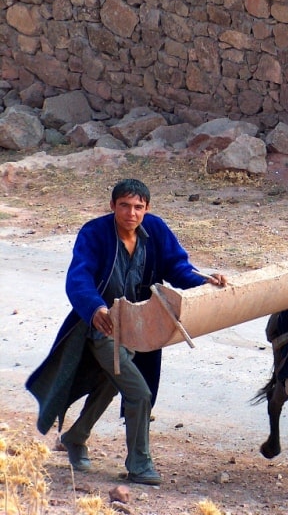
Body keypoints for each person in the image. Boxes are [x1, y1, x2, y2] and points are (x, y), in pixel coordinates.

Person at [26, 178, 228, 484]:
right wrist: (96, 309)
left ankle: (76, 437)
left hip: (143, 325)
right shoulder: (94, 233)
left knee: (113, 382)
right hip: (102, 326)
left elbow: (178, 268)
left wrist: (203, 280)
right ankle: (140, 465)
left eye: (138, 207)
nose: (131, 213)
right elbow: (78, 277)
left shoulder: (156, 230)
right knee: (139, 392)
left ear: (146, 209)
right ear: (113, 206)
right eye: (124, 206)